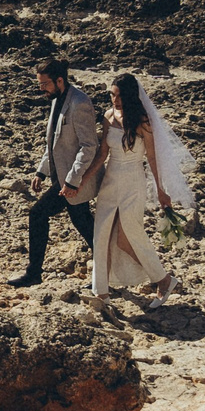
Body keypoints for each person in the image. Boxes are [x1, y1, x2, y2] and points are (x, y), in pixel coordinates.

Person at [88, 72, 188, 300]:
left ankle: (163, 280)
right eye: (113, 95)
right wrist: (82, 180)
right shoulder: (108, 116)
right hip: (110, 182)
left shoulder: (142, 121)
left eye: (120, 96)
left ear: (131, 96)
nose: (116, 100)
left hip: (133, 183)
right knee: (101, 234)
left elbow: (152, 158)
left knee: (128, 236)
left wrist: (161, 191)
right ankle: (100, 293)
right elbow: (103, 153)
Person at [11, 56, 104, 287]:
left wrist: (72, 181)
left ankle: (34, 273)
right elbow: (53, 142)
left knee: (38, 214)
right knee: (84, 224)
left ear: (59, 80)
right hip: (61, 177)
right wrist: (40, 172)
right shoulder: (56, 100)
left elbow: (89, 146)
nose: (41, 89)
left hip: (72, 180)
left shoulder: (79, 103)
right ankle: (107, 271)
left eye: (45, 84)